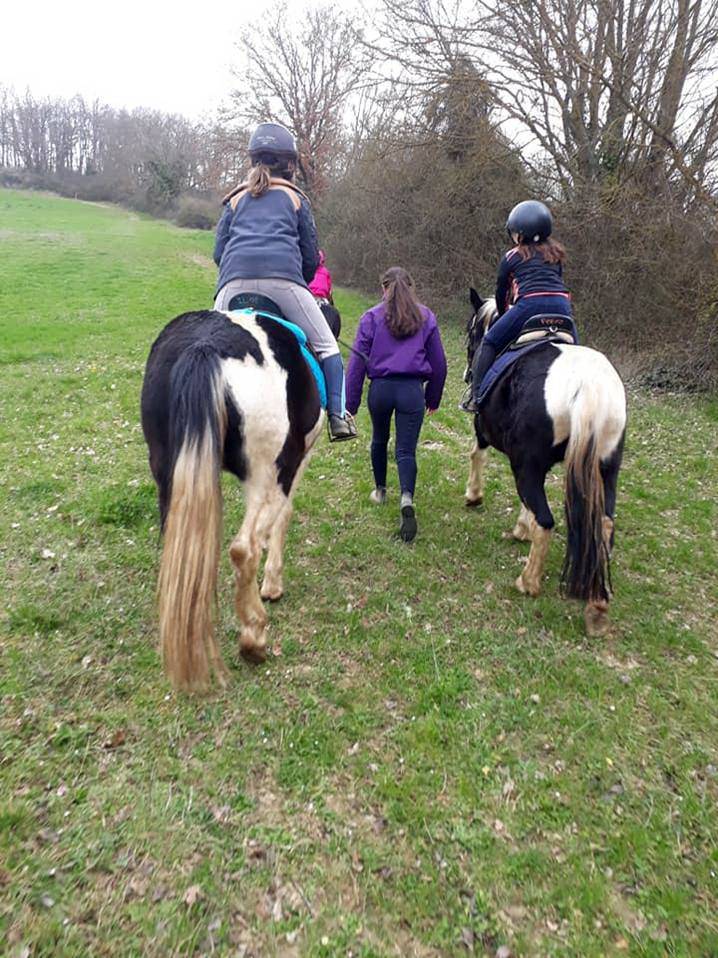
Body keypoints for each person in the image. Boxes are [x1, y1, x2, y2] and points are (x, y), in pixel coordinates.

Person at [213, 122, 356, 442]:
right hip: (284, 282)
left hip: (232, 285)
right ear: (289, 163)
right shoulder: (296, 198)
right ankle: (338, 416)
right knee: (327, 347)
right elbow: (309, 257)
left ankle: (203, 414)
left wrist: (236, 275)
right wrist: (299, 282)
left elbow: (218, 253)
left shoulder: (234, 199)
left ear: (253, 160)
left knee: (207, 346)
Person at [346, 267, 447, 543]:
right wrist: (433, 397)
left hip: (380, 389)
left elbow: (356, 363)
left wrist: (350, 404)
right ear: (411, 287)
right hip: (411, 391)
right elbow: (439, 364)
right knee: (406, 449)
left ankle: (380, 491)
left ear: (383, 288)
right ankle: (406, 497)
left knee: (379, 440)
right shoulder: (426, 317)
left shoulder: (371, 317)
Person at [461, 200, 577, 413]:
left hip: (529, 306)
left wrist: (505, 314)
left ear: (520, 233)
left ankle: (477, 396)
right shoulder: (556, 254)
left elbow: (502, 293)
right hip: (562, 305)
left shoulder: (512, 256)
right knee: (576, 351)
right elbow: (556, 282)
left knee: (489, 342)